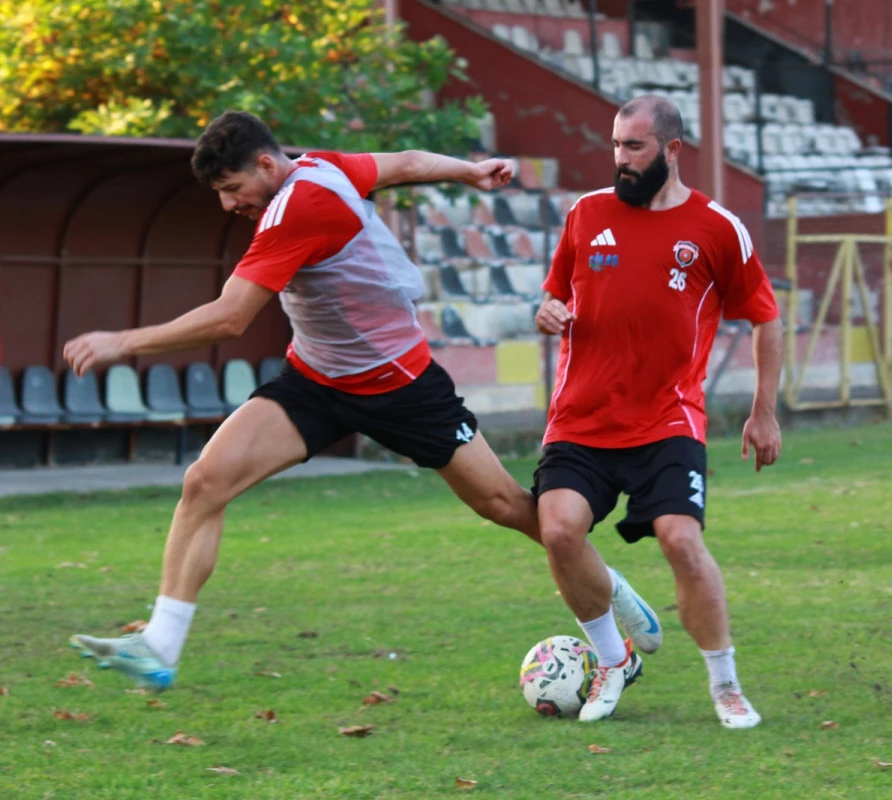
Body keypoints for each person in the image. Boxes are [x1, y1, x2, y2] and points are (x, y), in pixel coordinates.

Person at [62, 111, 661, 692]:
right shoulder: (323, 166)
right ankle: (161, 646)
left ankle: (605, 584)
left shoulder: (302, 204)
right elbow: (399, 163)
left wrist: (122, 342)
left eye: (231, 187)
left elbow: (230, 317)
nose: (227, 204)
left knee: (505, 504)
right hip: (316, 382)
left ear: (268, 164)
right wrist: (465, 170)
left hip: (400, 385)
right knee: (205, 482)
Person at [532, 95, 783, 728]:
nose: (620, 159)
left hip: (667, 420)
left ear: (672, 150)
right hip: (581, 418)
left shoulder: (718, 227)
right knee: (558, 531)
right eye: (615, 146)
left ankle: (725, 685)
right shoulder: (586, 215)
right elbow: (555, 296)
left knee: (681, 540)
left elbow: (764, 318)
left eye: (634, 147)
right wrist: (547, 314)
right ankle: (613, 660)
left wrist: (764, 411)